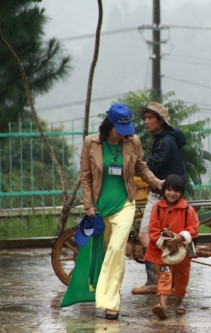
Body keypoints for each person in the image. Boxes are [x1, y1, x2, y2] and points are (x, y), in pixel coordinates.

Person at [61, 103, 163, 320]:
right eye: (119, 128)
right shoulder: (91, 143)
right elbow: (86, 177)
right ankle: (109, 292)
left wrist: (157, 183)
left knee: (117, 249)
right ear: (109, 125)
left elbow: (140, 167)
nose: (123, 134)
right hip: (100, 208)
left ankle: (110, 303)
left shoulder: (132, 141)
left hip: (124, 203)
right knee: (107, 253)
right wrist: (88, 205)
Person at [131, 102, 188, 295]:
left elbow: (154, 166)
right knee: (160, 236)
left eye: (150, 118)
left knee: (145, 235)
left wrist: (137, 165)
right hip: (173, 193)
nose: (146, 122)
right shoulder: (168, 139)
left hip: (161, 195)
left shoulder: (164, 142)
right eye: (145, 118)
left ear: (161, 121)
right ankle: (164, 278)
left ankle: (154, 280)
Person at [144, 174, 199, 319]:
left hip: (183, 254)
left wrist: (180, 238)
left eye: (176, 190)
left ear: (181, 192)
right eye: (169, 189)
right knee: (164, 275)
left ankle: (179, 302)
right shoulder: (157, 208)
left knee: (182, 278)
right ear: (164, 191)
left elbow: (193, 228)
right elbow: (153, 231)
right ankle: (162, 305)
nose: (172, 193)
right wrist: (166, 243)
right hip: (164, 255)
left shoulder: (188, 209)